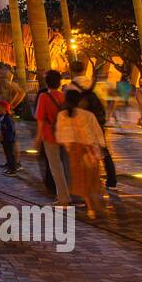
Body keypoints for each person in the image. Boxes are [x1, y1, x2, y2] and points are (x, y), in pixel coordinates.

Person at [56, 89, 108, 219]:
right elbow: (97, 133)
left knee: (81, 180)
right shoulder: (88, 115)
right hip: (90, 150)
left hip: (74, 151)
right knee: (93, 178)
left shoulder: (62, 115)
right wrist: (101, 147)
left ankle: (90, 208)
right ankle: (96, 205)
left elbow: (60, 136)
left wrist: (68, 146)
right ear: (80, 101)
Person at [66, 60, 117, 190]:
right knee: (103, 150)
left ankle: (91, 181)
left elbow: (70, 108)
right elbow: (108, 101)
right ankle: (112, 181)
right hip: (98, 122)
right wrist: (108, 116)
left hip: (83, 123)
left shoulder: (70, 87)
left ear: (71, 70)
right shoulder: (96, 84)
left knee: (84, 152)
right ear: (84, 69)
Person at [35, 70, 71, 206]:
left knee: (56, 167)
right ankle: (68, 195)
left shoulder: (44, 97)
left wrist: (37, 139)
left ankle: (63, 199)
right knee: (65, 165)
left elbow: (40, 119)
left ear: (47, 82)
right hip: (64, 134)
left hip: (50, 135)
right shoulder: (62, 96)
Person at [0, 102, 20, 175]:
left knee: (10, 154)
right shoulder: (2, 117)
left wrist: (4, 134)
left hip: (8, 140)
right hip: (4, 140)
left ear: (4, 109)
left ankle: (13, 169)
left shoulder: (8, 118)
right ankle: (9, 165)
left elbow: (11, 130)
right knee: (7, 154)